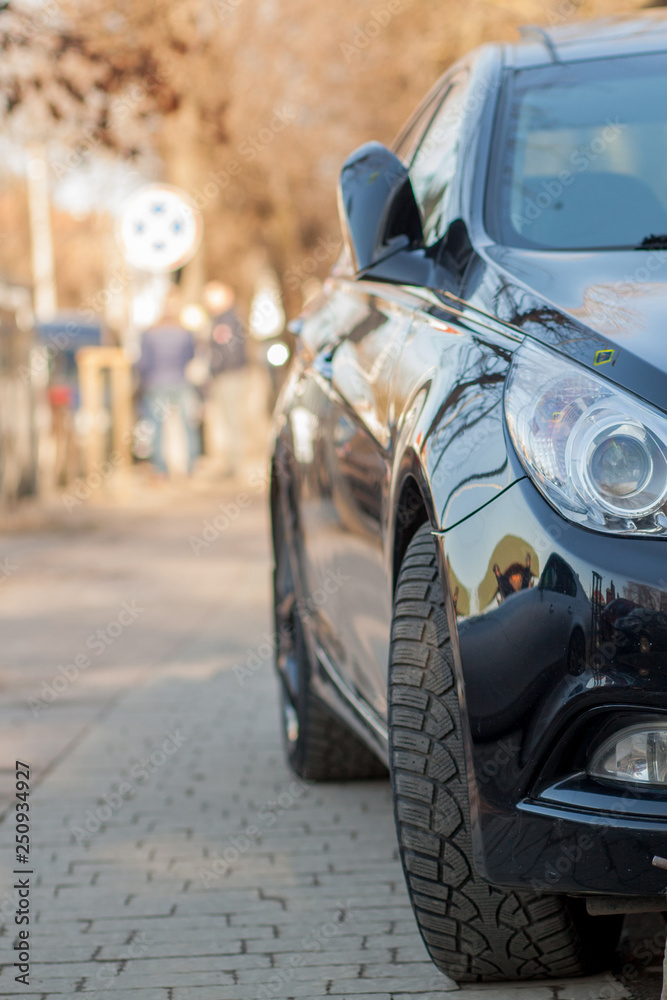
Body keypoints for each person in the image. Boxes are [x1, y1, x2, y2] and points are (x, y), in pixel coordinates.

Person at [136, 288, 199, 476]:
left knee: (157, 428)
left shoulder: (150, 332)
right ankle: (190, 468)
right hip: (180, 381)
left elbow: (143, 362)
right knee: (188, 426)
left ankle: (161, 469)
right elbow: (191, 356)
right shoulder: (185, 332)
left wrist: (143, 382)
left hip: (156, 384)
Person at [203, 281, 248, 477]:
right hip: (227, 373)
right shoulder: (225, 318)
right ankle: (231, 461)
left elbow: (227, 348)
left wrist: (218, 368)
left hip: (228, 374)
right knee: (227, 419)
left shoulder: (226, 319)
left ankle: (234, 463)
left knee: (231, 419)